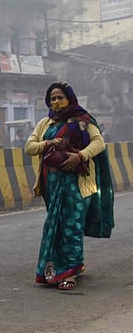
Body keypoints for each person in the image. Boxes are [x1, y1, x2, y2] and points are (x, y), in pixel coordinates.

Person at [25, 82, 113, 291]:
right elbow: (30, 147)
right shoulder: (45, 123)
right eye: (53, 98)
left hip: (77, 182)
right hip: (52, 184)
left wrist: (80, 156)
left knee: (71, 226)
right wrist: (49, 143)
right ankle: (61, 268)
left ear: (70, 99)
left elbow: (98, 143)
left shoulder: (82, 120)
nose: (56, 102)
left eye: (60, 97)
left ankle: (70, 273)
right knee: (54, 226)